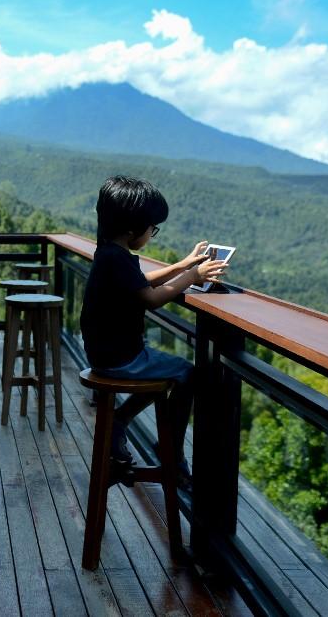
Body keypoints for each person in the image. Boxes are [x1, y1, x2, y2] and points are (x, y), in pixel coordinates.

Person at [80, 176, 228, 489]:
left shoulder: (109, 252)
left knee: (163, 376)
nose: (152, 233)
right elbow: (150, 298)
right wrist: (193, 275)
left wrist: (182, 265)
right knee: (186, 373)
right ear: (134, 229)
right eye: (153, 228)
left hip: (102, 353)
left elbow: (141, 281)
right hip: (122, 358)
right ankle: (171, 450)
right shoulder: (115, 258)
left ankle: (121, 421)